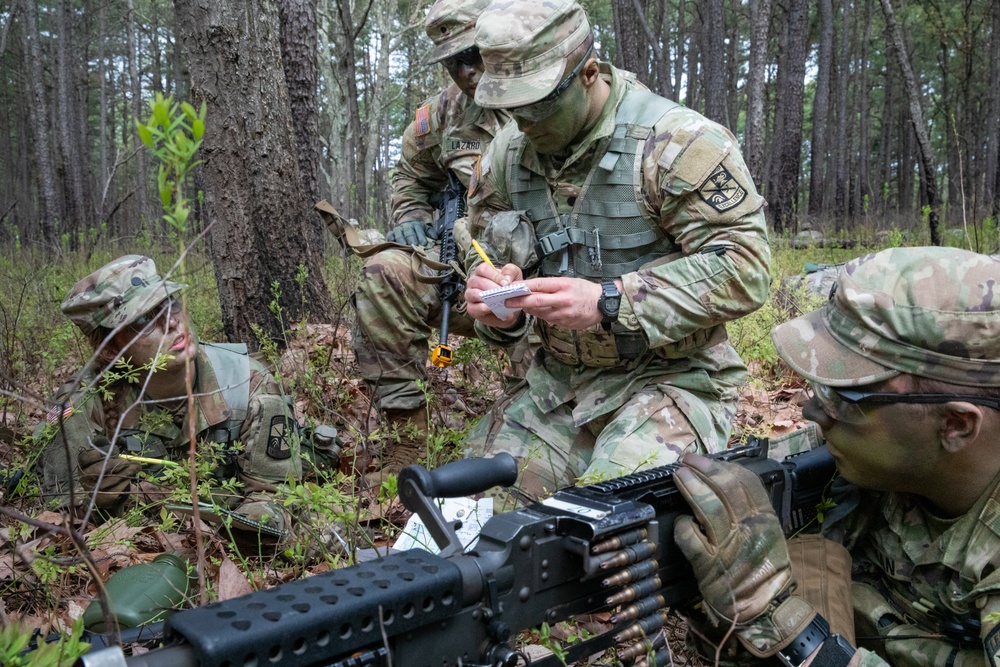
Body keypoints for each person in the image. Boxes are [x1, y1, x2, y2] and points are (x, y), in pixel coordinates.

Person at [462, 0, 771, 505]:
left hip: (669, 379)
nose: (523, 123)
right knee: (472, 522)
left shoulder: (676, 143)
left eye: (538, 104)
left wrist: (610, 300)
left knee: (608, 525)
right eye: (509, 108)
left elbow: (746, 268)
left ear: (587, 74)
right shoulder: (504, 158)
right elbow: (486, 260)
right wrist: (497, 308)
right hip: (554, 388)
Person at [673, 247, 1000, 667]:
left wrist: (782, 621)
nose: (810, 412)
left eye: (843, 396)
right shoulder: (876, 451)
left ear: (956, 425)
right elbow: (743, 481)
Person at [36, 255, 339, 549]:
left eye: (171, 303)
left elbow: (275, 498)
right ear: (110, 348)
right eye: (143, 319)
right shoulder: (85, 401)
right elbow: (60, 515)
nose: (171, 322)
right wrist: (98, 501)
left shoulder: (246, 382)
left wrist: (236, 530)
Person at [348, 0, 512, 485]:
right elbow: (411, 176)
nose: (466, 72)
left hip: (553, 279)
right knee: (386, 272)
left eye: (474, 55)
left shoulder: (554, 92)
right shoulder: (443, 115)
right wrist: (413, 218)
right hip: (468, 273)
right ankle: (406, 443)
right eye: (452, 62)